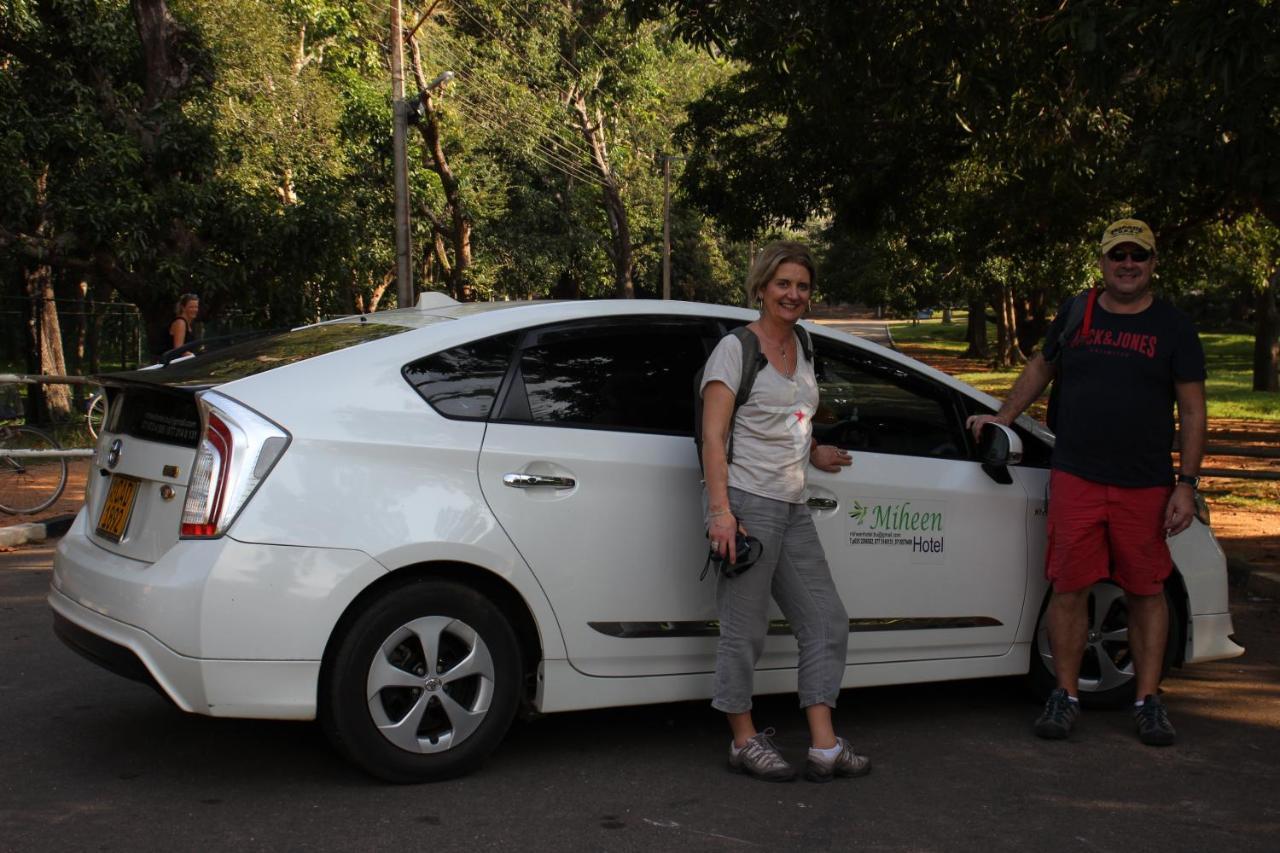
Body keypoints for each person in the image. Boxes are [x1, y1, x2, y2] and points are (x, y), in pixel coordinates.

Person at [967, 218, 1206, 747]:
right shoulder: (1079, 311)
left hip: (1144, 485)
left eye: (1137, 256)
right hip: (1075, 475)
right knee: (1070, 587)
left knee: (1146, 591)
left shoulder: (1174, 326)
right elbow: (1041, 366)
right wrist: (1004, 416)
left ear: (1152, 263)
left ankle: (1148, 700)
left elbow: (1192, 410)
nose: (1127, 265)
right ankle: (1065, 694)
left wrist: (1186, 483)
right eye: (1118, 255)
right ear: (1101, 261)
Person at [700, 240, 869, 782]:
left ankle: (824, 746)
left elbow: (791, 415)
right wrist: (721, 512)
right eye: (783, 284)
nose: (793, 294)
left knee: (824, 620)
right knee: (744, 631)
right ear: (761, 287)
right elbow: (714, 435)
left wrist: (812, 448)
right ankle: (744, 740)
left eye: (802, 286)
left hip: (794, 502)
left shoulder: (804, 344)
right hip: (749, 503)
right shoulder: (735, 349)